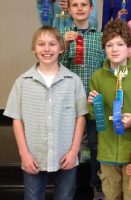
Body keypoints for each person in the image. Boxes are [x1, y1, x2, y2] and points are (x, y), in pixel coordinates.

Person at [3, 26, 87, 200]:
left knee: (65, 196)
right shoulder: (22, 82)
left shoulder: (73, 81)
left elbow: (81, 117)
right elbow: (17, 120)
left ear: (61, 48)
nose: (47, 49)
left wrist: (73, 151)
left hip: (66, 155)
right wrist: (24, 154)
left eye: (52, 44)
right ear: (34, 48)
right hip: (33, 155)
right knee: (33, 196)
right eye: (41, 44)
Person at [87, 19, 131, 200]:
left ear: (129, 46)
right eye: (109, 45)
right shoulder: (97, 78)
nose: (114, 49)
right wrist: (93, 105)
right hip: (107, 151)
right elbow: (93, 115)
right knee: (111, 194)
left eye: (120, 44)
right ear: (104, 48)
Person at [59, 0, 105, 198]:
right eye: (75, 5)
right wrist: (65, 45)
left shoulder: (101, 38)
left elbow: (105, 68)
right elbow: (55, 67)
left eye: (84, 5)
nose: (79, 8)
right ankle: (69, 186)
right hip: (70, 102)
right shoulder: (61, 37)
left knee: (96, 144)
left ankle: (97, 184)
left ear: (91, 9)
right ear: (68, 9)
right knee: (70, 145)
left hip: (93, 101)